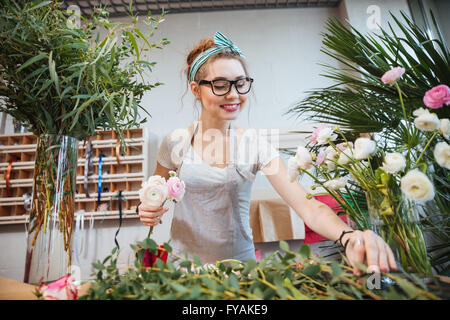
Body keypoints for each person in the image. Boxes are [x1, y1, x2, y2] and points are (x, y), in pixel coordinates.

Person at [138, 31, 398, 276]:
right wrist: (148, 208)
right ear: (196, 89)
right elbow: (154, 193)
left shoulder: (256, 146)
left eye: (240, 84)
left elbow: (307, 205)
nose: (233, 94)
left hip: (240, 272)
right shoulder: (176, 142)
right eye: (219, 85)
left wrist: (348, 236)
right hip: (184, 270)